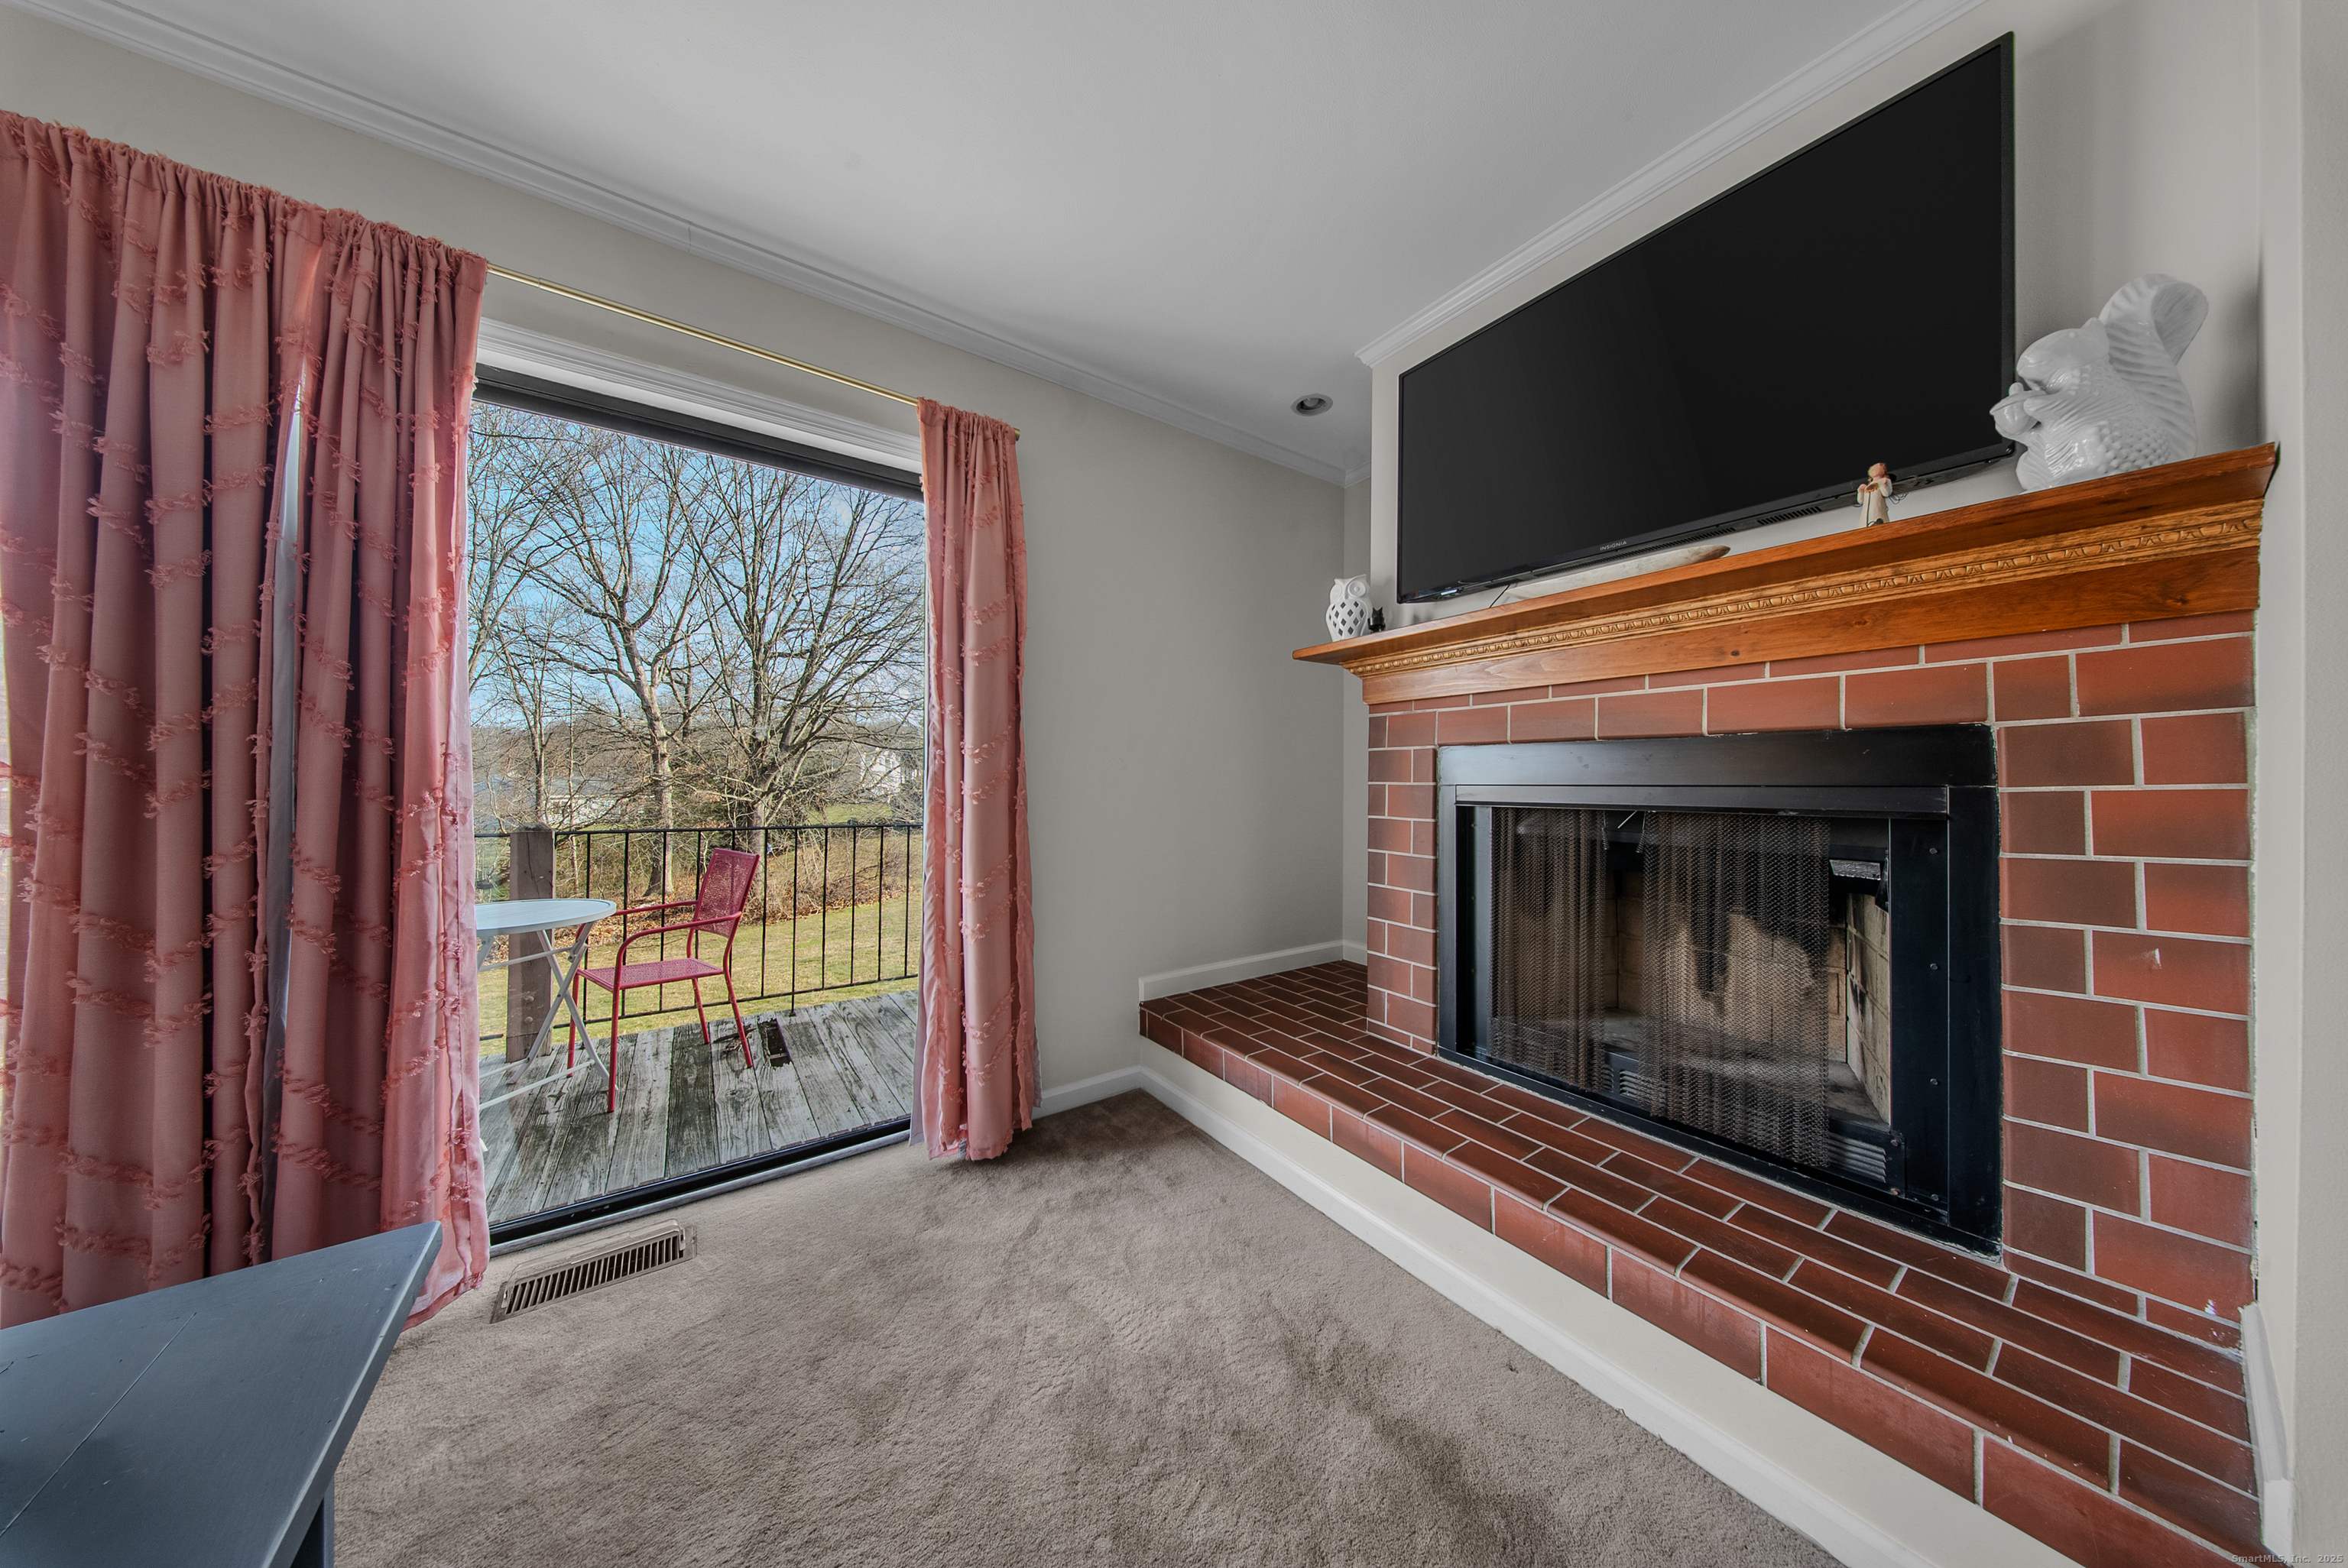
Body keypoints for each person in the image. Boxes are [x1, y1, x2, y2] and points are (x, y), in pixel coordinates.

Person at [1857, 462, 1895, 526]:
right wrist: (1860, 492)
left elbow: (1886, 493)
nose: (1875, 469)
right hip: (1865, 516)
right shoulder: (1869, 485)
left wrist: (1883, 485)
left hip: (1878, 512)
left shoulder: (1885, 480)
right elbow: (1861, 501)